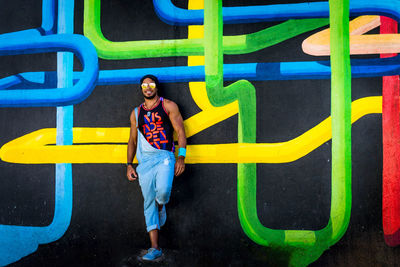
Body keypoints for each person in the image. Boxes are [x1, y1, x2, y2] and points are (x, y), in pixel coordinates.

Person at [126, 74, 186, 261]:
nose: (148, 87)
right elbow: (133, 140)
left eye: (151, 84)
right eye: (144, 85)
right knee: (148, 202)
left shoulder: (168, 106)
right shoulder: (136, 113)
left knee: (163, 192)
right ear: (141, 88)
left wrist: (181, 157)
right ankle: (154, 247)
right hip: (144, 162)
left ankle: (162, 205)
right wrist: (129, 164)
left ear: (156, 87)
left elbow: (181, 131)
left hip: (165, 157)